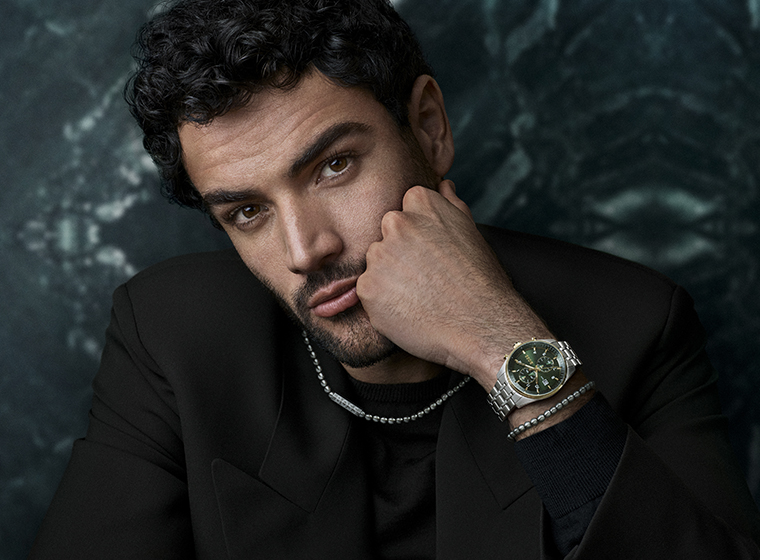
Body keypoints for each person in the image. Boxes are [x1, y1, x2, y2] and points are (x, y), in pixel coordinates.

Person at [30, 0, 760, 558]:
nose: (304, 249)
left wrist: (504, 342)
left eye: (334, 166)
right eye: (248, 211)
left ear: (430, 127)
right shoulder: (169, 333)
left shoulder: (637, 323)